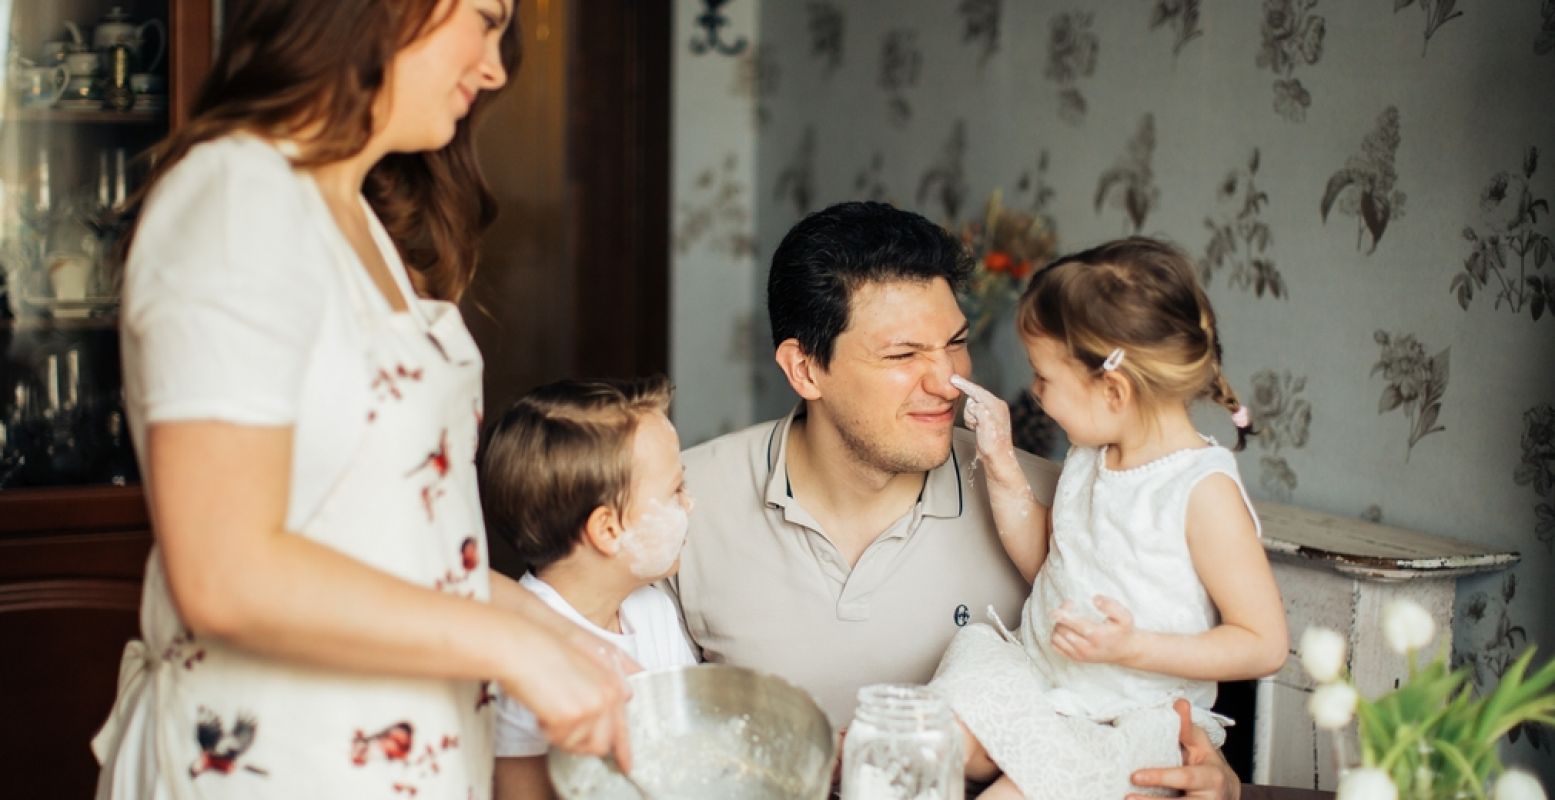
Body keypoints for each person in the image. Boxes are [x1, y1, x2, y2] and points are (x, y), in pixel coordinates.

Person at [90, 2, 630, 797]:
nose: (494, 68)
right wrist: (514, 651)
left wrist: (552, 631)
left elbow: (384, 541)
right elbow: (226, 571)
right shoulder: (239, 194)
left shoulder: (353, 212)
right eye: (484, 20)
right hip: (279, 762)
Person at [670, 201, 1246, 799]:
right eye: (903, 354)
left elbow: (1151, 714)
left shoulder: (1070, 511)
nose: (946, 381)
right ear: (806, 369)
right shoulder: (683, 508)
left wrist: (1218, 783)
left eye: (956, 343)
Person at [931, 237, 1289, 799]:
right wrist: (1000, 461)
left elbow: (1264, 643)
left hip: (1129, 720)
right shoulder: (1090, 457)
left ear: (1114, 390)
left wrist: (1133, 647)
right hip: (1044, 682)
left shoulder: (1199, 491)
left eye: (1044, 377)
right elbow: (1046, 562)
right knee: (931, 738)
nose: (1034, 391)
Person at [480, 377, 698, 799]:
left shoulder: (652, 610)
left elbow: (684, 741)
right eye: (676, 490)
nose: (690, 504)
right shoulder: (526, 656)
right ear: (608, 529)